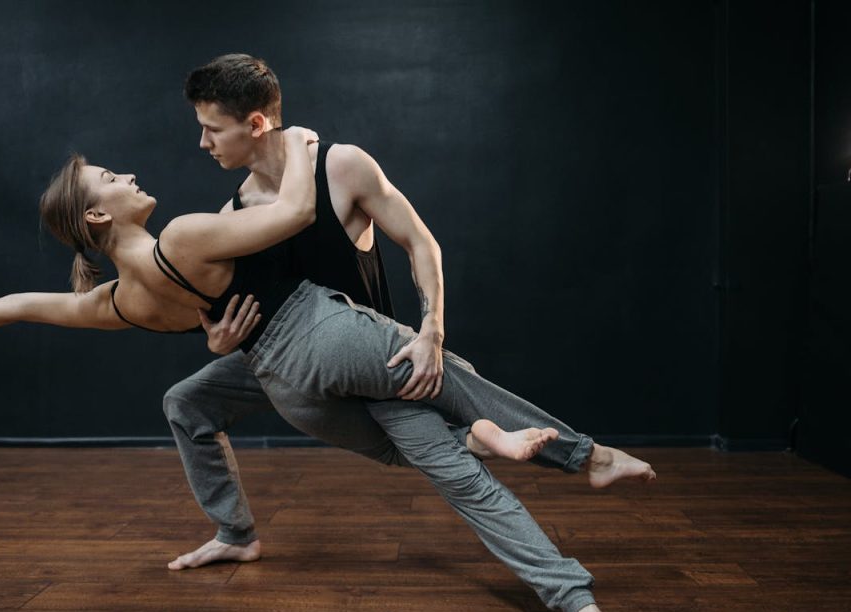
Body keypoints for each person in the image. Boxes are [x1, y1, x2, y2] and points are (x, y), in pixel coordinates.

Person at [0, 126, 646, 612]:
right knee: (443, 366)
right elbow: (294, 214)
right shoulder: (186, 234)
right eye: (111, 179)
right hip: (314, 342)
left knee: (189, 402)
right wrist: (302, 142)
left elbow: (18, 304)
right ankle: (574, 457)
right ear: (97, 216)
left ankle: (241, 530)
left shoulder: (116, 302)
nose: (128, 174)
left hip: (278, 381)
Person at [165, 55, 649, 580]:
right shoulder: (233, 213)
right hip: (288, 368)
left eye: (212, 129)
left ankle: (574, 472)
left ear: (255, 124)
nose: (204, 144)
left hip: (372, 362)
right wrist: (219, 341)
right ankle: (235, 535)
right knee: (187, 402)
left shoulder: (341, 166)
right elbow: (234, 312)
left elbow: (421, 243)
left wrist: (430, 331)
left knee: (451, 461)